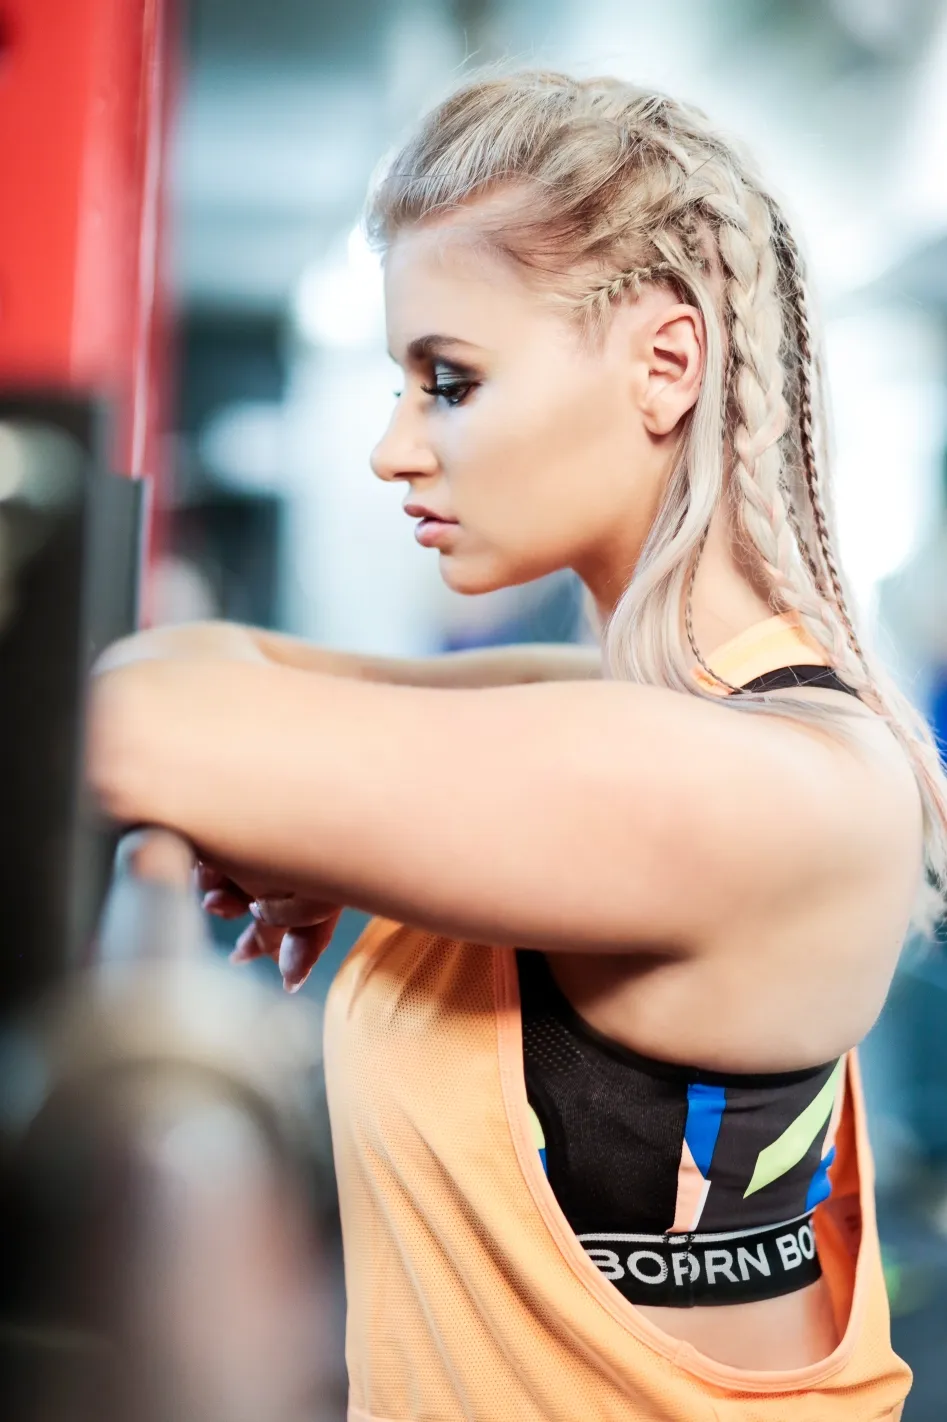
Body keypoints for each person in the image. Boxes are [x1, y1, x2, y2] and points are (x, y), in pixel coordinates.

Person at [87, 70, 947, 1421]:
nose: (392, 448)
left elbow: (134, 719)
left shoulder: (752, 784)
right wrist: (317, 820)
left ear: (663, 365)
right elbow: (181, 673)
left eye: (447, 380)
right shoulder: (616, 707)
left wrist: (294, 805)